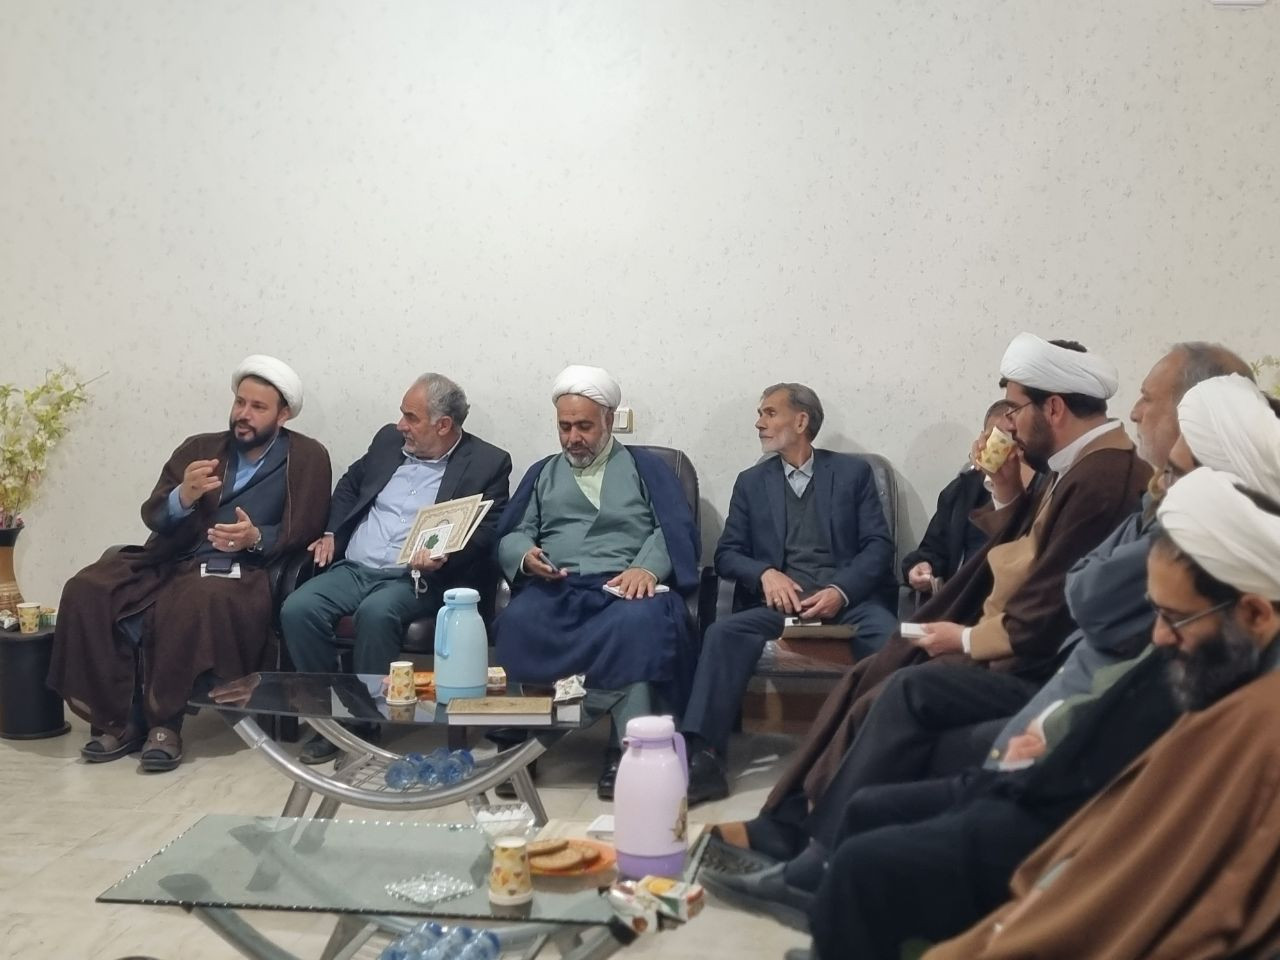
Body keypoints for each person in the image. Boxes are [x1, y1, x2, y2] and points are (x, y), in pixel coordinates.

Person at [792, 362, 1279, 959]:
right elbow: (1065, 586)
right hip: (1052, 740)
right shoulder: (1118, 507)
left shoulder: (1112, 482)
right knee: (890, 693)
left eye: (1150, 401)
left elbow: (1080, 602)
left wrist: (1037, 727)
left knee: (898, 712)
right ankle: (809, 858)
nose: (1137, 415)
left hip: (1051, 751)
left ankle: (819, 871)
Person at [712, 333, 1150, 862]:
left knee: (897, 680)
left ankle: (819, 848)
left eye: (1014, 409)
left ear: (1053, 408)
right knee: (874, 670)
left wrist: (963, 639)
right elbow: (1023, 555)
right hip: (999, 637)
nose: (1009, 424)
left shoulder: (1101, 478)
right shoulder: (1070, 469)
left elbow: (1051, 602)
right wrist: (1006, 487)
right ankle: (787, 820)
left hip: (1032, 661)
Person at [924, 468, 1280, 960]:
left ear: (1257, 614)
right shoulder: (1226, 671)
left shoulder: (1258, 725)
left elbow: (1185, 910)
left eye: (1175, 618)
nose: (1159, 636)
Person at [47, 356, 331, 771]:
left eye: (258, 407)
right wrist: (183, 497)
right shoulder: (200, 448)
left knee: (194, 599)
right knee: (87, 588)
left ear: (283, 414)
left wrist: (255, 537)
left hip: (239, 572)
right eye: (240, 402)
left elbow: (305, 527)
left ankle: (165, 724)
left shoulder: (306, 457)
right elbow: (155, 515)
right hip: (168, 559)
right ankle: (119, 718)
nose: (244, 415)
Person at [682, 382, 899, 804]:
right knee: (722, 634)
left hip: (846, 602)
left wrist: (841, 590)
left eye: (769, 413)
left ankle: (885, 753)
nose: (759, 423)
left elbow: (878, 547)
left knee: (892, 641)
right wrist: (765, 573)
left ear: (801, 421)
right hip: (780, 605)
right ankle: (705, 756)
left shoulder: (853, 475)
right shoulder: (751, 482)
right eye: (760, 414)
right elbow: (727, 553)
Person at [280, 373, 511, 763]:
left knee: (376, 613)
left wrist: (445, 556)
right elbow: (350, 484)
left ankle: (365, 722)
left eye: (411, 417)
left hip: (415, 577)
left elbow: (488, 530)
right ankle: (333, 715)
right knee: (298, 609)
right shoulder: (388, 442)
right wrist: (333, 532)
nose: (400, 424)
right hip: (355, 566)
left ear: (443, 425)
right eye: (402, 414)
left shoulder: (488, 462)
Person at [493, 365, 700, 798]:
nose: (573, 437)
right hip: (560, 586)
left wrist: (646, 568)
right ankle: (521, 747)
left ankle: (627, 749)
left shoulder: (646, 469)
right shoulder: (543, 472)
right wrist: (526, 556)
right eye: (565, 427)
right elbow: (514, 532)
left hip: (626, 587)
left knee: (639, 625)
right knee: (518, 621)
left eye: (584, 426)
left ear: (608, 420)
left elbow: (673, 529)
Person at [901, 399, 1016, 599]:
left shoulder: (1040, 489)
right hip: (960, 601)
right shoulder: (963, 489)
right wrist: (922, 566)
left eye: (1013, 439)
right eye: (997, 438)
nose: (1005, 449)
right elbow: (934, 548)